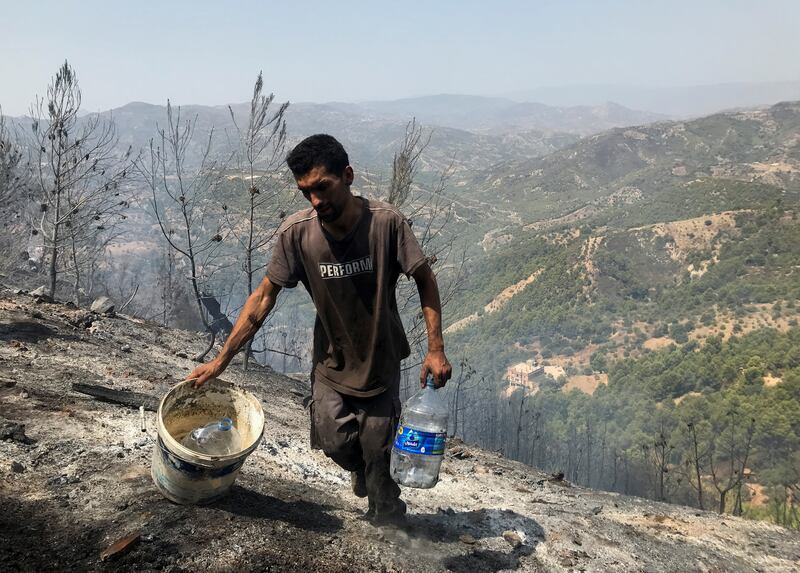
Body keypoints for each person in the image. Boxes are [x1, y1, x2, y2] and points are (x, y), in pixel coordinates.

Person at [187, 134, 452, 525]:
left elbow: (425, 279)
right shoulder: (298, 234)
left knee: (379, 453)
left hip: (381, 361)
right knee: (334, 441)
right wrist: (220, 361)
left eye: (322, 188)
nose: (315, 200)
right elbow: (262, 298)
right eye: (305, 192)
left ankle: (390, 524)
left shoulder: (386, 224)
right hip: (331, 362)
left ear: (347, 176)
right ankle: (360, 469)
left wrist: (436, 348)